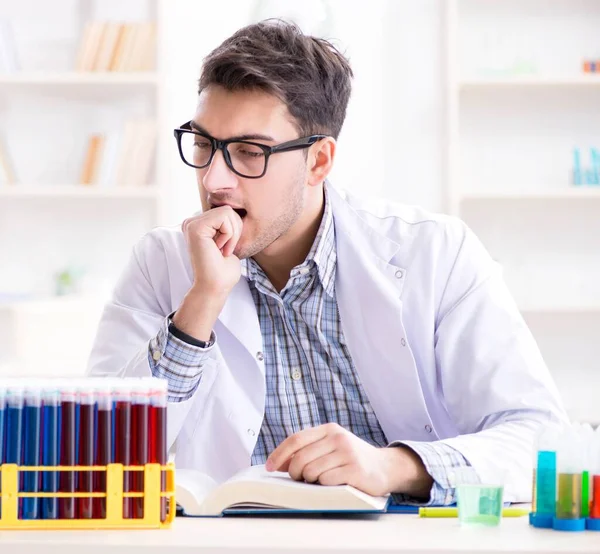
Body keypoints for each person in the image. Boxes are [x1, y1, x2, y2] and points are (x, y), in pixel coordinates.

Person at [88, 19, 566, 505]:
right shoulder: (161, 264)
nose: (214, 181)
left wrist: (393, 466)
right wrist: (200, 305)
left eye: (249, 153)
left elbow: (538, 438)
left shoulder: (435, 252)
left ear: (319, 161)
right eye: (204, 144)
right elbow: (98, 453)